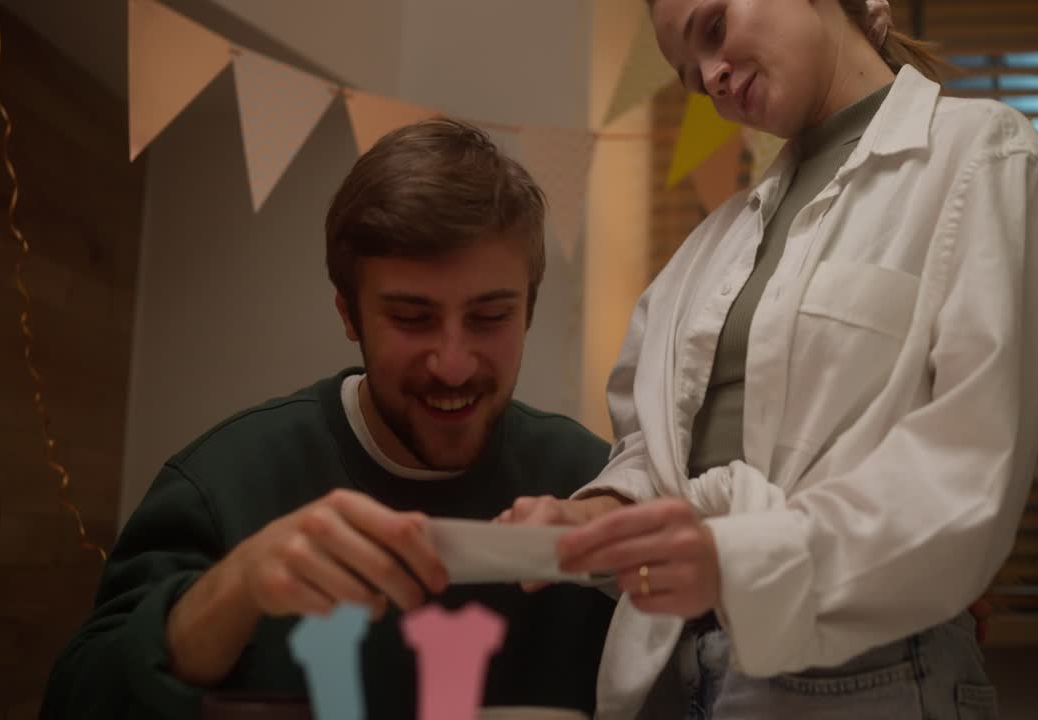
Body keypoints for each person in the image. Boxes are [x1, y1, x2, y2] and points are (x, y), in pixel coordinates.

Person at [503, 0, 1038, 718]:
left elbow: (965, 474)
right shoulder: (713, 245)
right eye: (687, 73)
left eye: (713, 29)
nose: (709, 78)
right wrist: (591, 521)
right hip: (686, 675)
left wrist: (737, 561)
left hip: (879, 679)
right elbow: (657, 455)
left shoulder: (981, 156)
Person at [39, 119, 616, 720]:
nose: (452, 365)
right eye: (412, 318)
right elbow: (74, 702)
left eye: (490, 316)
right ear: (349, 315)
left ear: (528, 312)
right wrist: (231, 591)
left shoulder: (592, 483)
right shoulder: (222, 485)